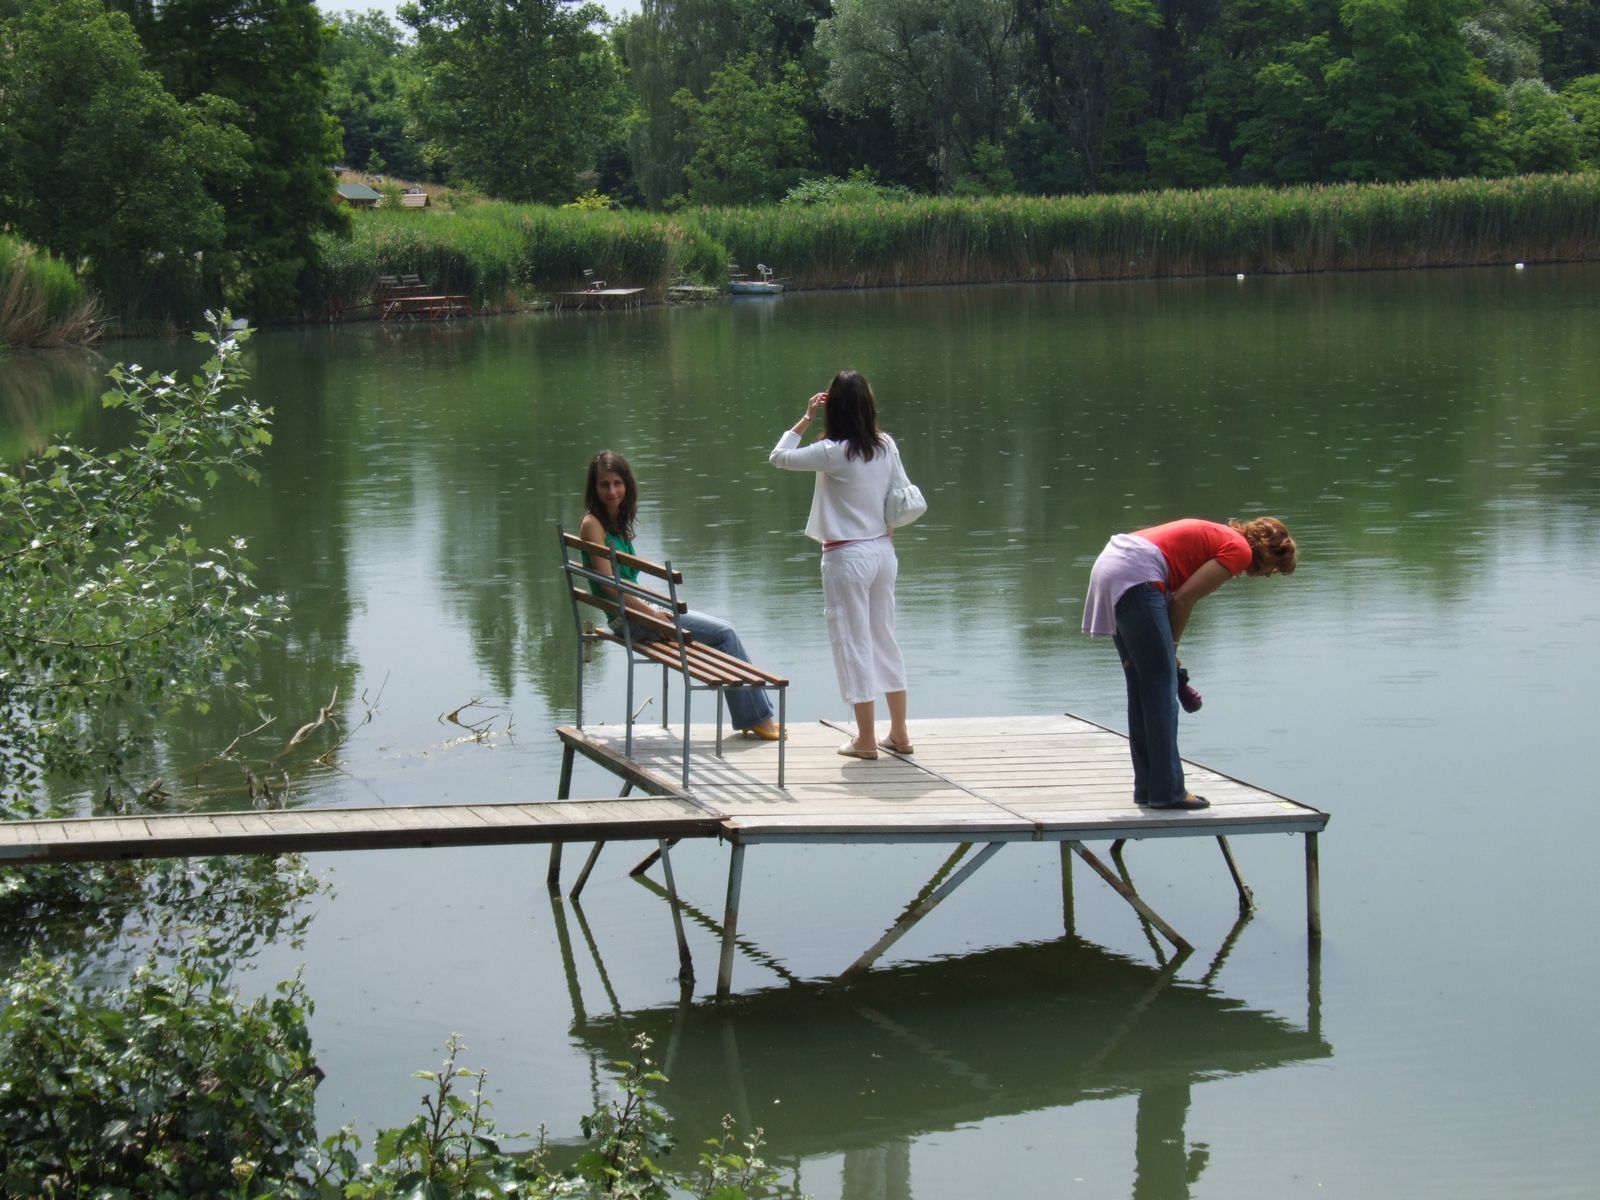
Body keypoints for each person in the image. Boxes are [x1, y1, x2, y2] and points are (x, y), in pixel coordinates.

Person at [1082, 517, 1297, 809]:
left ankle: (1147, 787)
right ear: (1269, 552)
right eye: (1274, 568)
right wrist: (1170, 649)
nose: (1269, 575)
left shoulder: (1223, 537)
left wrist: (1166, 649)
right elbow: (1182, 599)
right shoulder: (1240, 550)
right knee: (1162, 689)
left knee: (1142, 687)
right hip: (1137, 576)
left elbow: (1176, 595)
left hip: (1113, 566)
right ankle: (1168, 792)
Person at [579, 449, 781, 740]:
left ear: (627, 485)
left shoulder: (614, 523)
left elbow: (622, 584)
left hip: (635, 613)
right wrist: (652, 613)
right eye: (604, 484)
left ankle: (756, 717)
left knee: (723, 632)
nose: (612, 491)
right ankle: (758, 719)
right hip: (631, 619)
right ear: (594, 488)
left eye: (617, 483)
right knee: (725, 634)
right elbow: (611, 586)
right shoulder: (593, 525)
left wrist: (651, 606)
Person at [769, 370, 912, 760]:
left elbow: (779, 457)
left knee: (854, 643)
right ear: (868, 405)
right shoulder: (885, 445)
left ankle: (865, 740)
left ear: (835, 407)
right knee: (884, 639)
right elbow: (897, 495)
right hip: (883, 551)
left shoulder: (833, 452)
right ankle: (899, 733)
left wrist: (806, 417)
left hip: (846, 556)